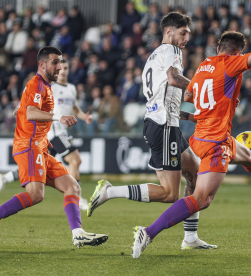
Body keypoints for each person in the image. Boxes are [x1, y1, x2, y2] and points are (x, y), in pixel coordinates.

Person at [131, 27, 251, 258]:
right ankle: (148, 232)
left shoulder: (203, 66)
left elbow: (188, 99)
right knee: (202, 198)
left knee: (247, 157)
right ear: (237, 53)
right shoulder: (231, 63)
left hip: (202, 137)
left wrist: (203, 111)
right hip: (216, 143)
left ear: (217, 49)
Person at [87, 12, 216, 250]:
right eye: (183, 32)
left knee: (196, 177)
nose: (187, 37)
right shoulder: (172, 51)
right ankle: (110, 191)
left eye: (188, 33)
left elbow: (170, 97)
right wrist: (203, 87)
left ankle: (189, 238)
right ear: (169, 32)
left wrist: (196, 114)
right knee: (170, 193)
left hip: (167, 124)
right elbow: (174, 78)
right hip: (163, 126)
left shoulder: (155, 55)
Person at [0, 46, 108, 249]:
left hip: (41, 146)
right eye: (55, 62)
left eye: (61, 62)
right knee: (36, 194)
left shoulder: (44, 86)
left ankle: (78, 233)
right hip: (29, 145)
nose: (59, 67)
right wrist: (58, 117)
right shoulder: (38, 84)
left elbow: (26, 107)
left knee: (72, 187)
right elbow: (31, 113)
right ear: (42, 65)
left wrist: (20, 108)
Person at [0, 59, 91, 211]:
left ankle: (5, 177)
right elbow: (33, 95)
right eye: (61, 68)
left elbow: (75, 109)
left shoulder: (71, 88)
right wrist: (20, 106)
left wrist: (85, 117)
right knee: (75, 160)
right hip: (54, 130)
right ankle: (77, 197)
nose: (63, 70)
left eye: (66, 68)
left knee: (39, 166)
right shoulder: (50, 85)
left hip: (57, 132)